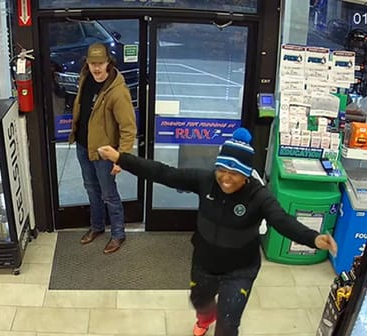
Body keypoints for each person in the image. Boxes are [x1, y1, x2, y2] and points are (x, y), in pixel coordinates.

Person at [97, 128, 337, 336]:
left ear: (246, 174)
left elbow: (281, 220)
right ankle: (205, 317)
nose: (226, 178)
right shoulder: (207, 180)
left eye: (234, 173)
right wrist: (122, 158)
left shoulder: (259, 196)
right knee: (199, 301)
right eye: (222, 169)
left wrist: (313, 238)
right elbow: (164, 173)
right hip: (205, 261)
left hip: (241, 269)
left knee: (229, 323)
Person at [68, 42, 137, 254]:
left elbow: (128, 128)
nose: (96, 68)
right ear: (87, 64)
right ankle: (97, 227)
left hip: (105, 152)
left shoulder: (117, 91)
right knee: (91, 189)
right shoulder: (85, 80)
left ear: (108, 63)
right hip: (83, 146)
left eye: (101, 63)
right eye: (92, 63)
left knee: (109, 194)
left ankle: (118, 234)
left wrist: (121, 157)